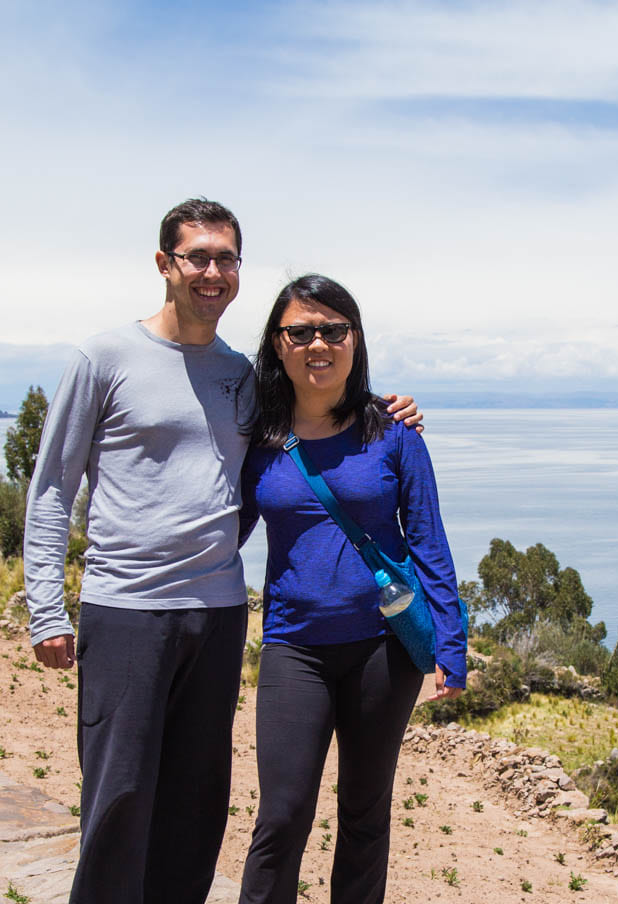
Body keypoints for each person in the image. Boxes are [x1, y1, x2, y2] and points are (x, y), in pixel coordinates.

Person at [22, 200, 420, 904]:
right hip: (126, 610)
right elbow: (53, 485)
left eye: (226, 258)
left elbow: (318, 405)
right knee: (117, 799)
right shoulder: (105, 357)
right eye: (197, 256)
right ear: (164, 264)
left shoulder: (245, 376)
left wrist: (388, 410)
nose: (213, 271)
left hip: (219, 611)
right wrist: (45, 609)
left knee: (196, 805)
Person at [237, 274, 466, 904]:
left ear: (354, 341)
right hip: (294, 648)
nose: (318, 344)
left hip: (381, 649)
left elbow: (429, 541)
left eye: (333, 330)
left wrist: (453, 642)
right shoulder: (258, 441)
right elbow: (222, 531)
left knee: (366, 814)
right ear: (278, 345)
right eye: (301, 331)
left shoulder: (393, 432)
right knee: (281, 817)